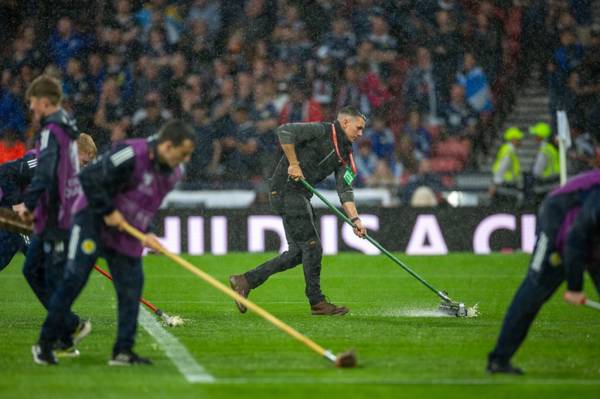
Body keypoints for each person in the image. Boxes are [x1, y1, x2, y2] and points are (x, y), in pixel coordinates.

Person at [32, 120, 195, 366]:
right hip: (92, 220)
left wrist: (148, 232)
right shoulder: (132, 154)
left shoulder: (172, 174)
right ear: (167, 146)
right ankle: (45, 345)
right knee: (74, 280)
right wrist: (108, 210)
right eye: (182, 154)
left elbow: (146, 205)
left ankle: (123, 351)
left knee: (132, 284)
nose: (183, 160)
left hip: (123, 231)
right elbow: (89, 178)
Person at [229, 106, 367, 316]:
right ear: (345, 122)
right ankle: (317, 301)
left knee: (297, 254)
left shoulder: (345, 154)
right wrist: (293, 164)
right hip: (285, 190)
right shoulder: (321, 130)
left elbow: (345, 190)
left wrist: (355, 219)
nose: (361, 134)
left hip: (300, 195)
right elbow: (284, 131)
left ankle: (245, 280)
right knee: (313, 247)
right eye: (358, 128)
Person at [487, 170, 600, 374]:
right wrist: (575, 288)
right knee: (535, 289)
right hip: (558, 222)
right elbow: (574, 241)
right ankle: (499, 359)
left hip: (588, 234)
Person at [14, 76, 94, 357]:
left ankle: (59, 336)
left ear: (44, 102)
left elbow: (47, 171)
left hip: (54, 214)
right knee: (40, 272)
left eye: (34, 105)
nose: (32, 111)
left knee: (42, 273)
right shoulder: (68, 126)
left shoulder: (52, 129)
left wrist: (27, 202)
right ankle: (67, 332)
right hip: (63, 212)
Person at [489, 127, 523, 205]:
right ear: (513, 140)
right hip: (505, 187)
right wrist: (495, 184)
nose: (520, 142)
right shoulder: (509, 151)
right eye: (519, 139)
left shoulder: (509, 150)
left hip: (506, 186)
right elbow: (501, 168)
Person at [529, 122, 560, 201]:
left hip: (546, 185)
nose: (534, 137)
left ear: (540, 136)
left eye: (536, 135)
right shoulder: (551, 148)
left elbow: (537, 171)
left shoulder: (544, 150)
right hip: (555, 183)